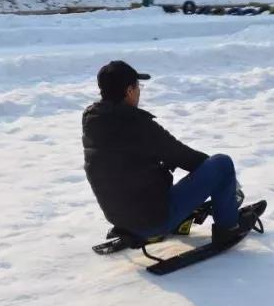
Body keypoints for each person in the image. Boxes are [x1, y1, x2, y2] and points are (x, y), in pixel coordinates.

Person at [82, 61, 263, 246]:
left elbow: (123, 163)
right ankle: (228, 229)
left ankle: (172, 219)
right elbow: (185, 157)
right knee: (222, 164)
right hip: (152, 222)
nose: (139, 91)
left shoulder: (92, 122)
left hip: (120, 219)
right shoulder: (138, 125)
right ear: (129, 90)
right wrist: (229, 184)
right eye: (138, 86)